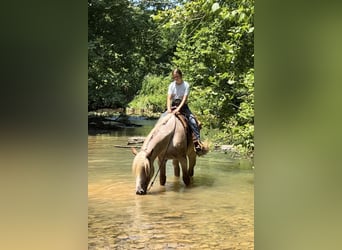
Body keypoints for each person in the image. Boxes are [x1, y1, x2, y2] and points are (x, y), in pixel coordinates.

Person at [165, 68, 203, 153]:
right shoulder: (171, 85)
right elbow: (169, 98)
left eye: (177, 76)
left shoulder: (186, 85)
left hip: (183, 107)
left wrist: (178, 109)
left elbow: (184, 99)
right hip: (172, 106)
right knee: (161, 119)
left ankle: (197, 142)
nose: (176, 78)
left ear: (181, 76)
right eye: (174, 77)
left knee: (193, 121)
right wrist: (168, 108)